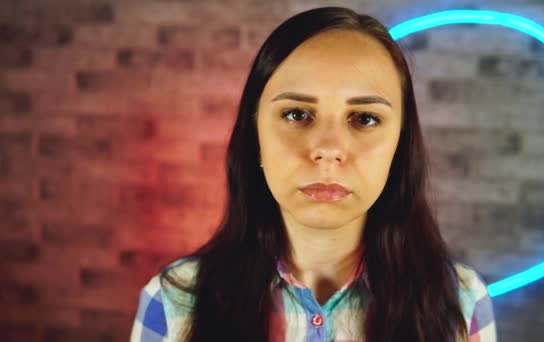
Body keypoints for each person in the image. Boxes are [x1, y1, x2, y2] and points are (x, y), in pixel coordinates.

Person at [129, 6, 496, 342]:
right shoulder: (175, 301)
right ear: (255, 134)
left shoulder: (461, 302)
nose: (328, 149)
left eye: (365, 118)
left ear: (400, 146)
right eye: (297, 114)